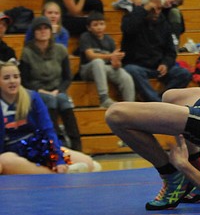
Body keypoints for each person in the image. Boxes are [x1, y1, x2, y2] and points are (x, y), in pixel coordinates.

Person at [0, 59, 99, 175]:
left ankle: (58, 171)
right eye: (6, 78)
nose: (12, 81)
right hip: (11, 152)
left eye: (16, 77)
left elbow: (47, 130)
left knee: (87, 162)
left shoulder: (32, 97)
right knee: (5, 161)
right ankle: (57, 174)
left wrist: (58, 160)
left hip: (37, 146)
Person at [20, 16, 83, 151]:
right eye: (39, 28)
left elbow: (67, 77)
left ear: (50, 31)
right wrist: (40, 90)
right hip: (37, 91)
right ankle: (56, 141)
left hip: (57, 90)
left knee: (63, 100)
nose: (43, 31)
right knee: (50, 101)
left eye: (46, 28)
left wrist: (59, 90)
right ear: (34, 32)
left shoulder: (60, 50)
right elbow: (24, 81)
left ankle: (77, 144)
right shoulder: (27, 52)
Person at [121, 0, 191, 102]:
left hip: (157, 66)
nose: (156, 12)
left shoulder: (164, 24)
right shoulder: (133, 17)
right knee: (131, 70)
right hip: (137, 65)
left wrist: (166, 63)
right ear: (146, 7)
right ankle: (156, 102)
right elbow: (128, 28)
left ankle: (160, 100)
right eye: (152, 9)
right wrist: (144, 10)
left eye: (159, 8)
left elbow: (171, 51)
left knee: (184, 74)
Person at [78, 12, 135, 108]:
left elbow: (113, 62)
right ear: (89, 28)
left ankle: (130, 105)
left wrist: (117, 63)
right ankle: (103, 98)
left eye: (101, 24)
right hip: (87, 69)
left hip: (104, 69)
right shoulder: (85, 37)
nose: (99, 27)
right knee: (98, 61)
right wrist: (111, 56)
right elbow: (90, 55)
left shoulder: (109, 40)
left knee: (124, 74)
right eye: (95, 25)